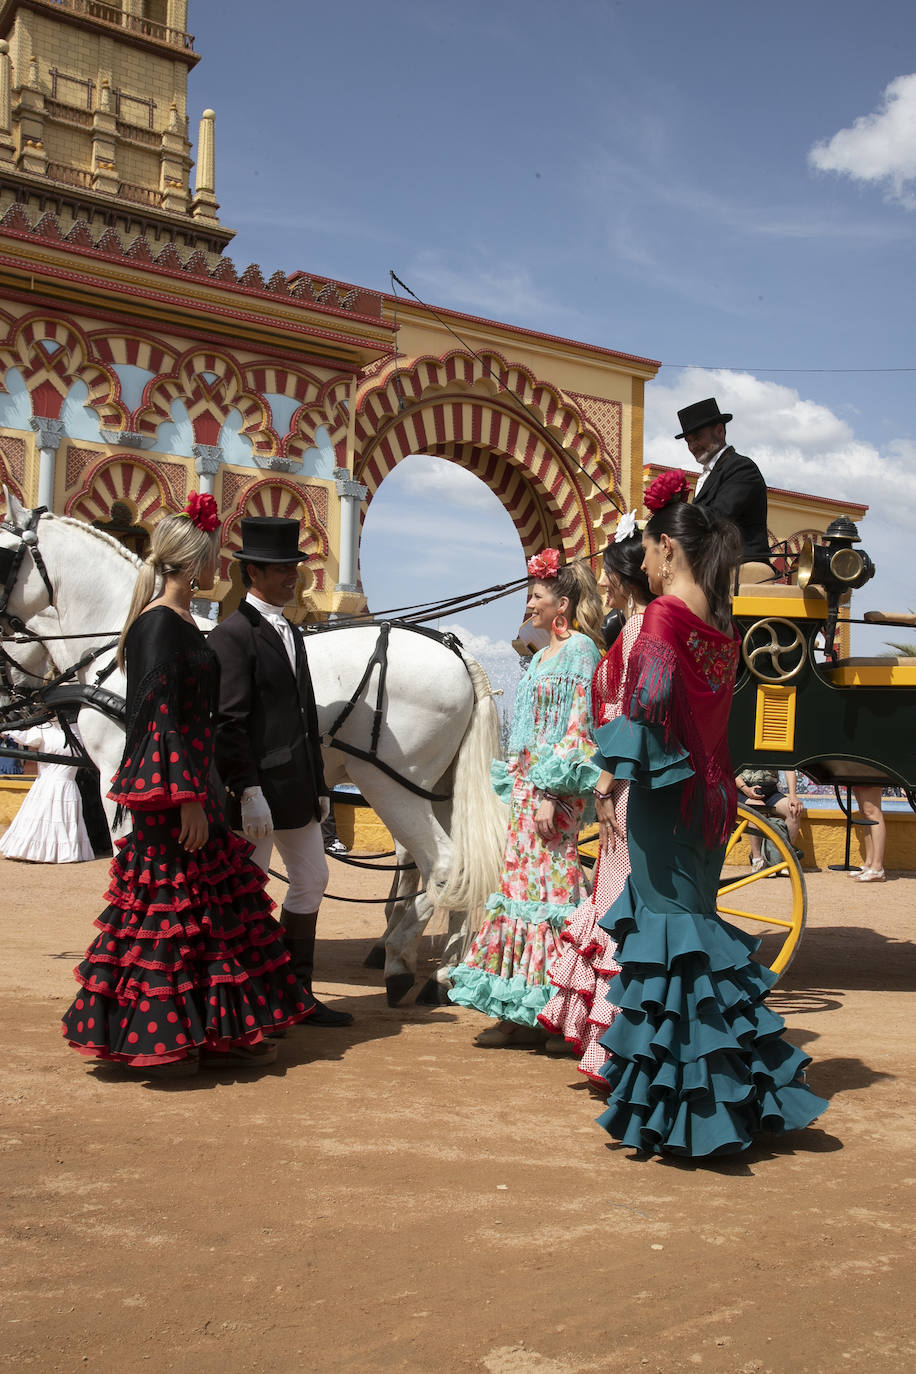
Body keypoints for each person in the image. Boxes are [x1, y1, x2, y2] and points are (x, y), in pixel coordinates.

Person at [591, 470, 827, 1155]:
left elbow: (649, 702)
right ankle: (730, 1095)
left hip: (667, 802)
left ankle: (690, 1115)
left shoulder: (664, 616)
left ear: (668, 548)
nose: (641, 561)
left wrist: (609, 781)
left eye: (646, 548)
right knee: (693, 939)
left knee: (672, 945)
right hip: (711, 800)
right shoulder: (720, 622)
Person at [61, 495, 314, 1076]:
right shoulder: (158, 623)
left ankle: (213, 1033)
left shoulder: (179, 622)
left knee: (207, 915)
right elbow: (156, 719)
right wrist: (186, 800)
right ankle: (161, 1040)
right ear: (191, 558)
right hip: (172, 797)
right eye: (211, 554)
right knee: (167, 916)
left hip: (193, 787)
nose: (216, 565)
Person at [448, 549, 604, 1046]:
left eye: (536, 596)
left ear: (563, 603)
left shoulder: (580, 651)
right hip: (526, 792)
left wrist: (554, 797)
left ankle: (559, 1014)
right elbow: (527, 732)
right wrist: (520, 787)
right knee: (519, 896)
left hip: (552, 798)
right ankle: (519, 1012)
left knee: (554, 899)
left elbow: (578, 731)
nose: (528, 604)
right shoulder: (541, 656)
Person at [208, 517, 352, 1028]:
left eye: (293, 566)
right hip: (257, 793)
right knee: (248, 891)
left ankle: (297, 993)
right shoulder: (232, 634)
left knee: (312, 878)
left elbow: (306, 719)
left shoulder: (289, 628)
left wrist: (319, 785)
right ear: (254, 573)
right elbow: (229, 722)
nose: (293, 576)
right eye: (282, 569)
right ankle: (247, 999)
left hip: (295, 789)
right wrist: (246, 789)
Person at [538, 514, 654, 1080]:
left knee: (614, 902)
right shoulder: (630, 630)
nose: (602, 584)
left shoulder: (634, 634)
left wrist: (606, 781)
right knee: (611, 897)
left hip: (626, 782)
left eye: (609, 573)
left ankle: (609, 1042)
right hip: (625, 777)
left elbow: (629, 712)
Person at [674, 397, 772, 577]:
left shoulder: (742, 468)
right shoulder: (707, 475)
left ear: (719, 431)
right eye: (688, 441)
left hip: (742, 571)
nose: (693, 446)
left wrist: (676, 519)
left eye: (697, 438)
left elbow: (718, 516)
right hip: (715, 569)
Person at [1, 721, 94, 863]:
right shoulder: (49, 728)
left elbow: (22, 736)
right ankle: (54, 852)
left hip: (60, 783)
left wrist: (6, 731)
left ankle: (51, 853)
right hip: (54, 784)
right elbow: (23, 736)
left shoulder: (60, 728)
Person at [737, 767, 805, 870]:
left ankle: (782, 860)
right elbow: (731, 768)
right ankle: (757, 859)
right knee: (758, 808)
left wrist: (793, 796)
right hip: (742, 792)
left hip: (771, 792)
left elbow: (789, 768)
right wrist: (746, 789)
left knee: (794, 811)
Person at [849, 784, 886, 882]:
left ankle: (877, 868)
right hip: (859, 770)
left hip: (873, 772)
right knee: (865, 812)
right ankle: (869, 863)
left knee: (872, 812)